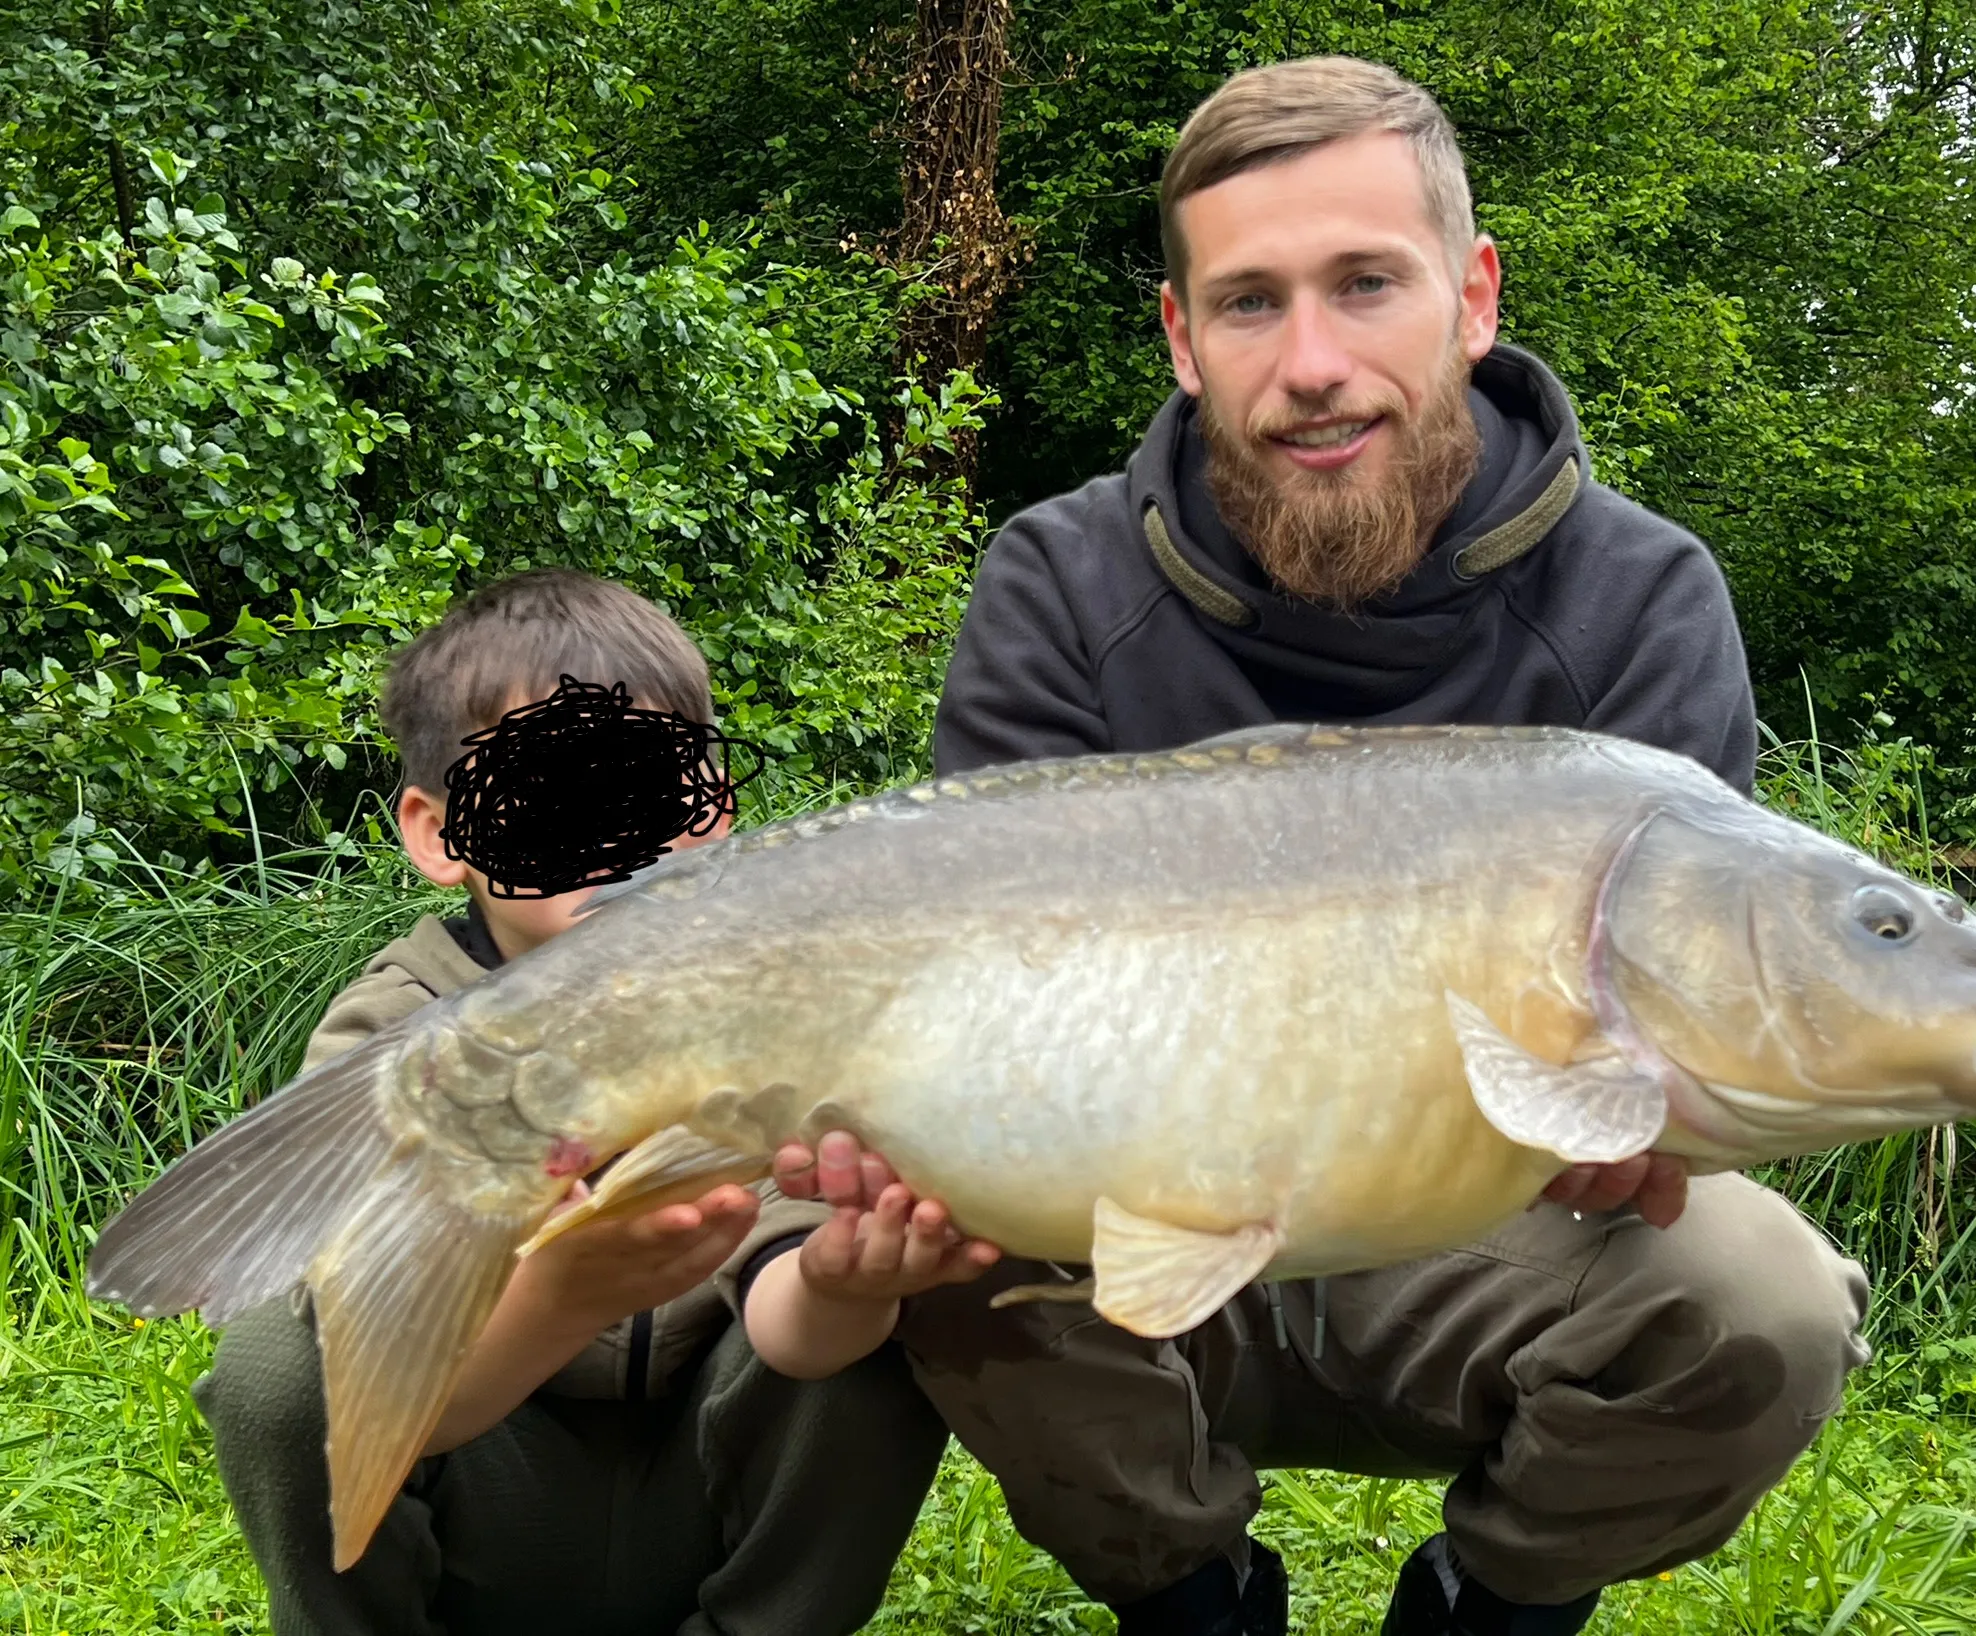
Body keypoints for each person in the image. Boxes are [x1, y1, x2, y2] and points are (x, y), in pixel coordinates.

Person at [891, 56, 1873, 1636]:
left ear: (1471, 297)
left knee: (1763, 1301)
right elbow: (981, 1004)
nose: (1313, 365)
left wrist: (1653, 1110)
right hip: (1139, 1222)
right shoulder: (1059, 586)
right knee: (923, 1238)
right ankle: (1192, 1600)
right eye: (1250, 303)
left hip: (1489, 1239)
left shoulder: (1640, 600)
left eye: (1365, 285)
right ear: (1182, 339)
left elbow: (1685, 1039)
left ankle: (1492, 1605)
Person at [192, 568, 995, 1636]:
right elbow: (402, 1399)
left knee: (884, 1319)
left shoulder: (783, 1010)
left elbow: (791, 1333)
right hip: (484, 1494)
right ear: (439, 832)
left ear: (713, 810)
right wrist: (559, 1296)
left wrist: (843, 1288)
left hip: (701, 1493)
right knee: (279, 1366)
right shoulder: (394, 1037)